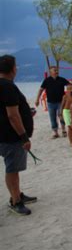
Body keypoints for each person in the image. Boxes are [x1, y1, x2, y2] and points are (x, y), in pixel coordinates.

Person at [0, 55, 37, 216]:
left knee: (13, 168)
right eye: (16, 66)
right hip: (11, 137)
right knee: (12, 169)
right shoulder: (7, 87)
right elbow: (12, 115)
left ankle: (17, 193)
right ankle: (15, 201)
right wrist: (24, 137)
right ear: (12, 68)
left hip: (6, 135)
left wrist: (27, 113)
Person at [35, 66, 71, 139]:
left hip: (60, 102)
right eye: (55, 70)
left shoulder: (62, 79)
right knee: (52, 118)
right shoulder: (47, 80)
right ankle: (55, 132)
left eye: (57, 70)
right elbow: (41, 90)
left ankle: (64, 130)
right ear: (50, 72)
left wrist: (68, 94)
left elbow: (70, 85)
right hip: (50, 102)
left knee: (61, 116)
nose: (56, 72)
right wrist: (37, 99)